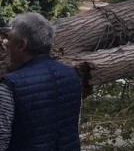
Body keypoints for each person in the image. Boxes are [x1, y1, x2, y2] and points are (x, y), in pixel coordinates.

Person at [0, 13, 81, 150]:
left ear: (21, 45)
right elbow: (74, 125)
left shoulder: (10, 86)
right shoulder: (72, 76)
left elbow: (1, 139)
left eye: (10, 41)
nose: (6, 46)